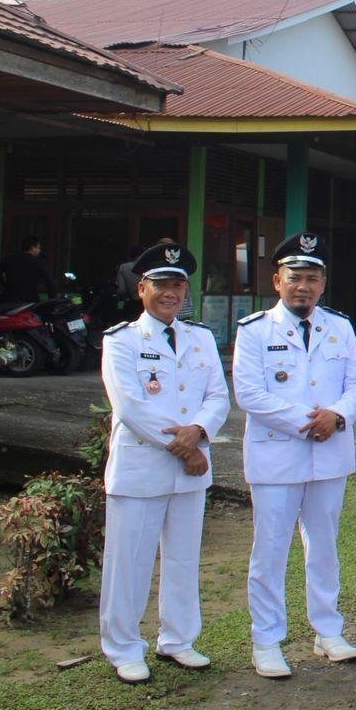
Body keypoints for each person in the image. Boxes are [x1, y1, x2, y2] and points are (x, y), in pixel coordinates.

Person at [233, 232, 356, 677]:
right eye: (295, 278)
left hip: (329, 454)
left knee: (324, 547)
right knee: (270, 551)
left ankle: (328, 631)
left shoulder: (340, 327)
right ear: (277, 281)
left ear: (323, 283)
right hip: (277, 456)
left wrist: (337, 416)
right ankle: (267, 639)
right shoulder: (254, 330)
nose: (303, 287)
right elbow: (249, 393)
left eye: (312, 278)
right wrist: (307, 421)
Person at [96, 242, 230, 684]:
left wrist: (200, 431)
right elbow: (130, 407)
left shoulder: (201, 338)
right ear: (142, 289)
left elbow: (217, 396)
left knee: (183, 559)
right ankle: (123, 647)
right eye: (161, 284)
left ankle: (178, 639)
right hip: (143, 466)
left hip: (190, 470)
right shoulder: (121, 340)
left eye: (178, 285)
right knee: (129, 562)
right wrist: (188, 447)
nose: (171, 293)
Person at [0, 234, 55, 304]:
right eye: (38, 248)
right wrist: (52, 301)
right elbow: (50, 282)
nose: (39, 250)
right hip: (29, 302)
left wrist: (4, 283)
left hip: (9, 301)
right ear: (32, 248)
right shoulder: (37, 262)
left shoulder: (9, 259)